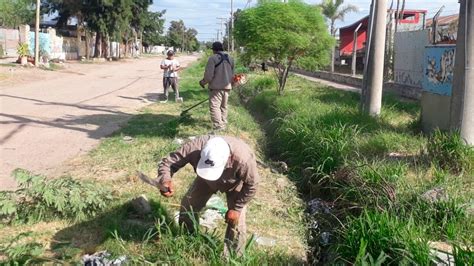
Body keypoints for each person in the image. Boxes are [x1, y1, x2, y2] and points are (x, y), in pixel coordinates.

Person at [156, 135, 259, 256]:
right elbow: (168, 163)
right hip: (205, 180)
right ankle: (188, 239)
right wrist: (165, 179)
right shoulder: (194, 147)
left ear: (228, 158)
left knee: (236, 221)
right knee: (188, 205)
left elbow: (252, 185)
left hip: (235, 183)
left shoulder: (243, 159)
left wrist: (237, 208)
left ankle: (233, 257)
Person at [199, 42, 234, 131]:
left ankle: (218, 126)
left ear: (214, 49)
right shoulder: (230, 58)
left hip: (216, 87)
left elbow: (209, 75)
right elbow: (232, 73)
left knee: (214, 106)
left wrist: (203, 82)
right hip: (227, 87)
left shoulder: (213, 58)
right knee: (224, 106)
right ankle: (223, 123)